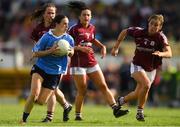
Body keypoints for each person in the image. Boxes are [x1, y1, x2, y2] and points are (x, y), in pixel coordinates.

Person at [67, 1, 129, 120]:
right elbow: (67, 46)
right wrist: (80, 48)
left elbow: (92, 39)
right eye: (84, 15)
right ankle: (78, 115)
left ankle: (115, 109)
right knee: (82, 90)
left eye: (88, 15)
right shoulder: (73, 30)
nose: (87, 17)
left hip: (91, 61)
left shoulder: (92, 28)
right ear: (79, 17)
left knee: (103, 85)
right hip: (78, 63)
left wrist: (102, 46)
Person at [111, 14, 172, 121]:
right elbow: (124, 31)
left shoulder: (161, 37)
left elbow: (169, 53)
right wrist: (116, 47)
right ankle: (140, 112)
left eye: (156, 25)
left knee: (138, 93)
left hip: (151, 69)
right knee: (147, 84)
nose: (153, 26)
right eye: (151, 24)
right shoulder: (139, 32)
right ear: (148, 23)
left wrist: (161, 54)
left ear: (160, 27)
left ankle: (121, 101)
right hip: (137, 65)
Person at [20, 14, 74, 124]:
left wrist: (68, 52)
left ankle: (66, 106)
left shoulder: (69, 38)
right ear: (57, 24)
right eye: (64, 23)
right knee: (34, 94)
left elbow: (72, 52)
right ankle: (23, 119)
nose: (67, 26)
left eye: (68, 24)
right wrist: (51, 51)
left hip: (55, 72)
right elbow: (35, 53)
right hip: (41, 67)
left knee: (40, 101)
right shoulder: (46, 36)